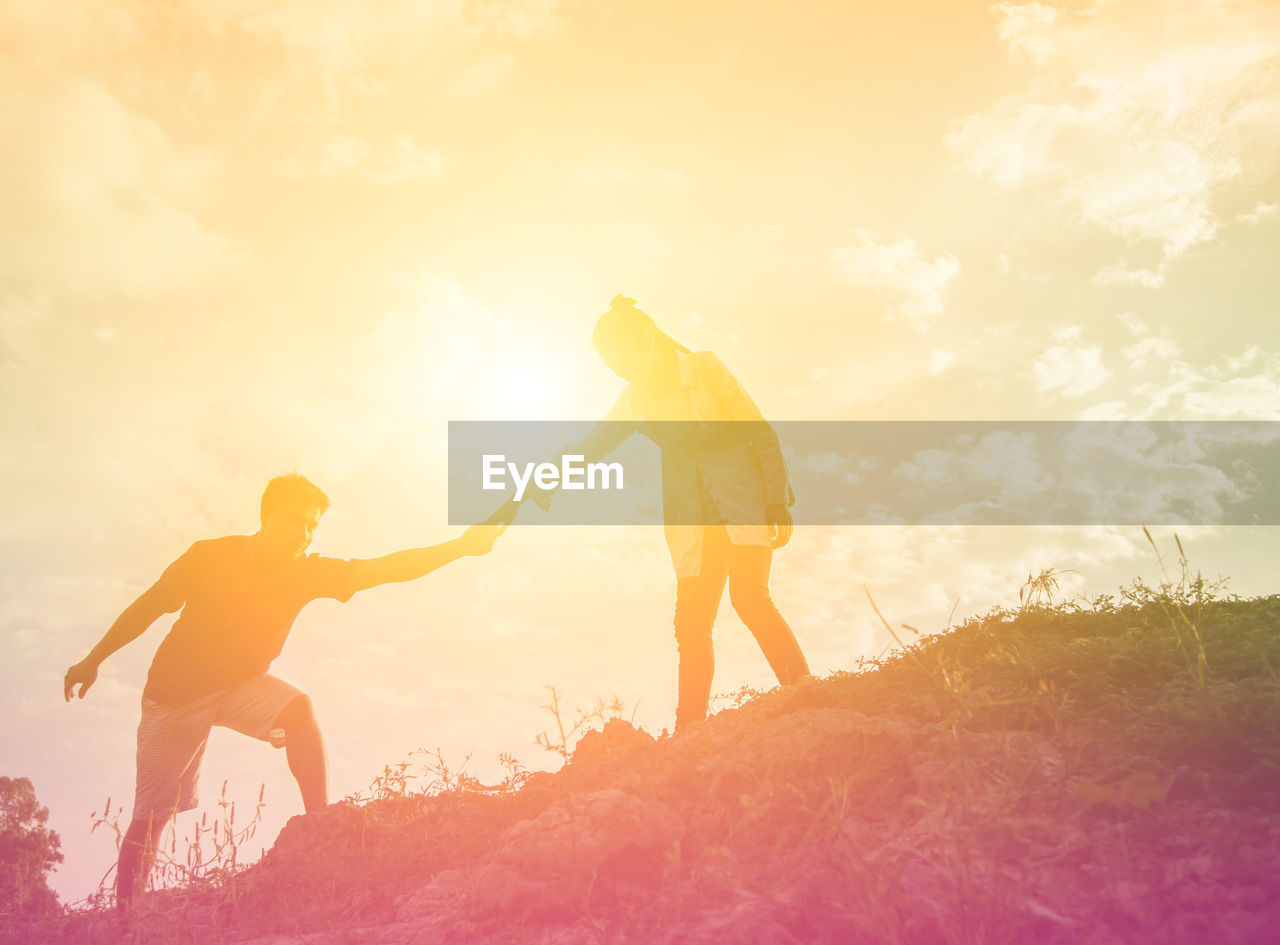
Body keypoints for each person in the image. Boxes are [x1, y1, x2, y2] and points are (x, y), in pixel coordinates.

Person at [63, 473, 502, 913]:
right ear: (265, 515)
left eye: (311, 526)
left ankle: (320, 824)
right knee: (154, 814)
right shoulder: (211, 556)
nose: (303, 533)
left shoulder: (305, 572)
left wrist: (461, 547)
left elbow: (384, 569)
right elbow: (151, 604)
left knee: (298, 709)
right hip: (174, 697)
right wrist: (93, 659)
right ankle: (124, 920)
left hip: (237, 686)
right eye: (294, 520)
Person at [492, 295, 810, 732]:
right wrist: (536, 481)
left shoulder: (703, 368)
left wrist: (776, 499)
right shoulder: (634, 402)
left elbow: (760, 432)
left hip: (743, 501)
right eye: (606, 363)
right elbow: (591, 446)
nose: (614, 368)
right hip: (691, 520)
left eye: (615, 357)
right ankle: (689, 730)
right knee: (691, 625)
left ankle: (807, 695)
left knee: (750, 598)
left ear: (643, 339)